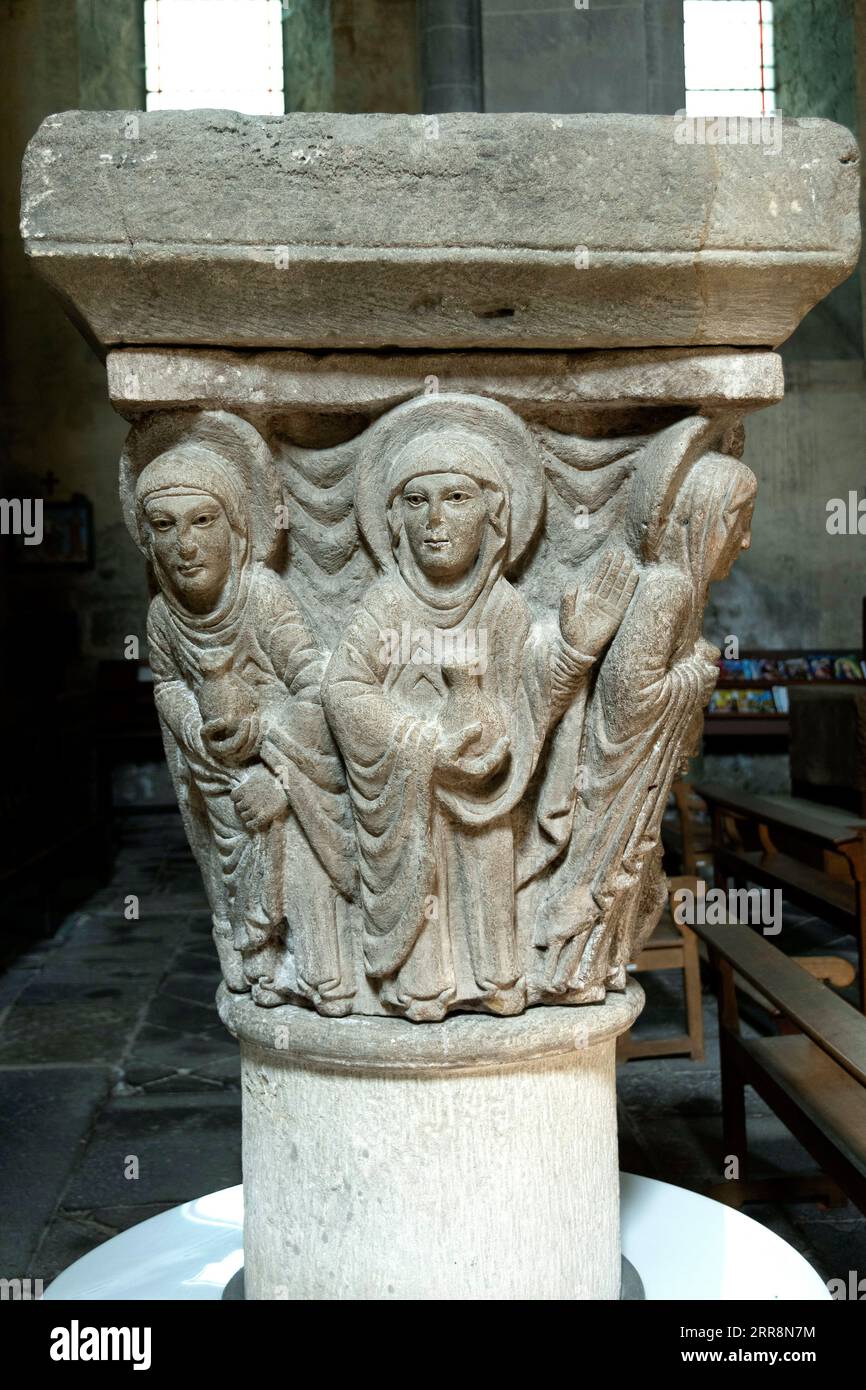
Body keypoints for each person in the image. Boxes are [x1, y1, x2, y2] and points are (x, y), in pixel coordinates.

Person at [323, 409, 636, 1021]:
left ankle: (499, 976)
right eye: (416, 500)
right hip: (410, 789)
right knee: (425, 871)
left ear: (494, 516)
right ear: (392, 521)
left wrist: (574, 648)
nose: (435, 521)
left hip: (491, 789)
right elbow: (345, 687)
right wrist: (421, 741)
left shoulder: (504, 608)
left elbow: (532, 699)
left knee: (487, 864)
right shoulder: (387, 603)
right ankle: (422, 985)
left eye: (457, 498)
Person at [134, 426, 356, 1014]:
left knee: (295, 875)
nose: (184, 544)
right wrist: (194, 726)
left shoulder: (260, 594)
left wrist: (269, 748)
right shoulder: (162, 617)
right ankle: (254, 954)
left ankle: (315, 970)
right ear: (145, 541)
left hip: (286, 779)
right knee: (231, 872)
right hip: (216, 777)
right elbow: (168, 685)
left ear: (238, 531)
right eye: (164, 526)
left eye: (203, 521)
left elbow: (316, 685)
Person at [535, 434, 757, 1000]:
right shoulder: (669, 589)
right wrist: (697, 676)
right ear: (706, 520)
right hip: (616, 783)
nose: (746, 540)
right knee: (604, 887)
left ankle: (581, 968)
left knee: (635, 890)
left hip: (625, 780)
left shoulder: (675, 588)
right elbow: (627, 697)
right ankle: (567, 971)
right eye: (739, 522)